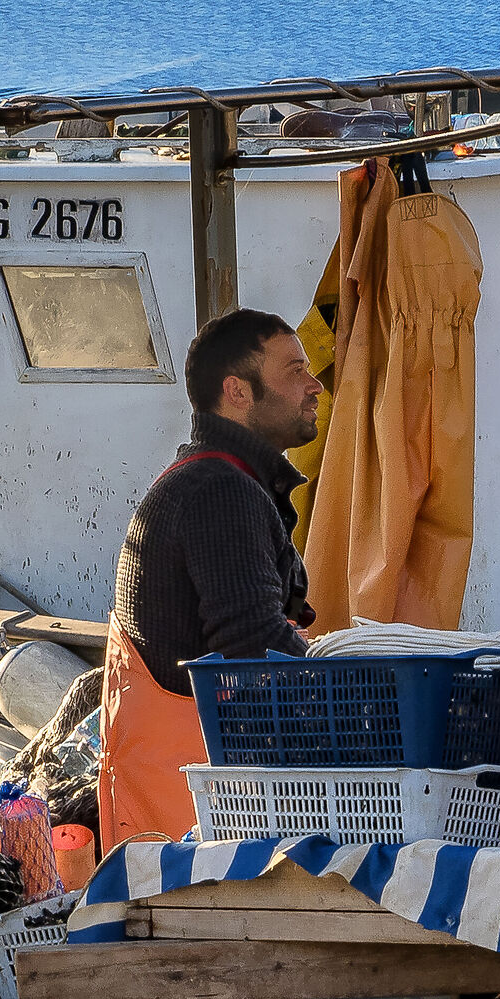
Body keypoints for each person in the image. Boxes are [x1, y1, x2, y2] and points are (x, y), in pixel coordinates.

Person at [94, 309, 323, 852]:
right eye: (294, 371)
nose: (314, 386)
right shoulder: (220, 491)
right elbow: (254, 652)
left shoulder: (206, 475)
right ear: (237, 392)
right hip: (201, 833)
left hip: (177, 813)